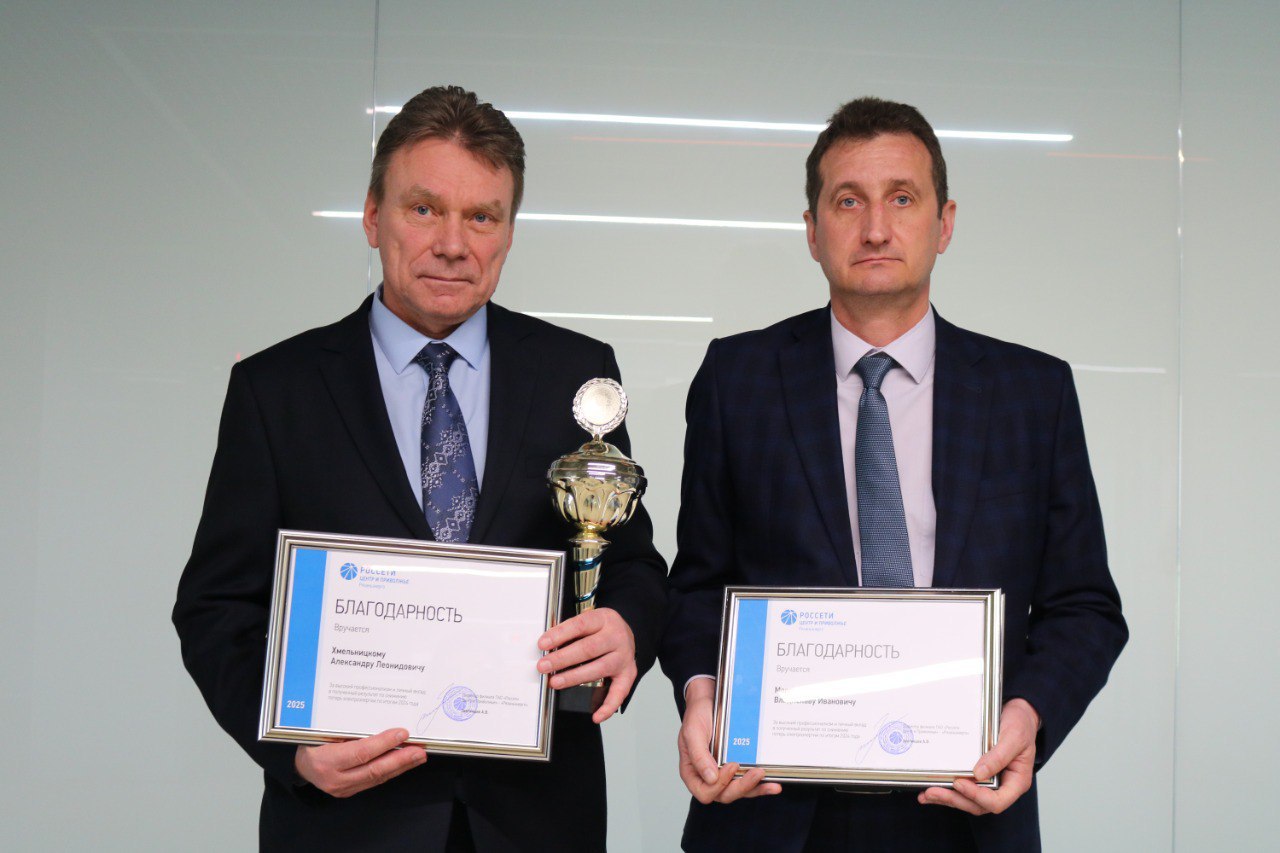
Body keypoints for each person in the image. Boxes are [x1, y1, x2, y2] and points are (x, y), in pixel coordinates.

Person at [173, 85, 667, 852]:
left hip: (536, 818)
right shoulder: (278, 390)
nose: (452, 243)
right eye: (425, 208)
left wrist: (627, 625)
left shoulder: (576, 374)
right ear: (374, 216)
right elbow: (217, 608)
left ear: (508, 232)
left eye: (482, 217)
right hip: (347, 823)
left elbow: (630, 562)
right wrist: (290, 751)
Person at [659, 96, 1127, 852]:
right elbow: (696, 587)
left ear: (944, 223)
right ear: (812, 230)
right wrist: (701, 692)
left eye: (902, 198)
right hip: (773, 810)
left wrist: (1029, 715)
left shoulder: (1031, 392)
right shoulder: (736, 378)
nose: (876, 228)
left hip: (967, 807)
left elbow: (1084, 604)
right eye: (849, 201)